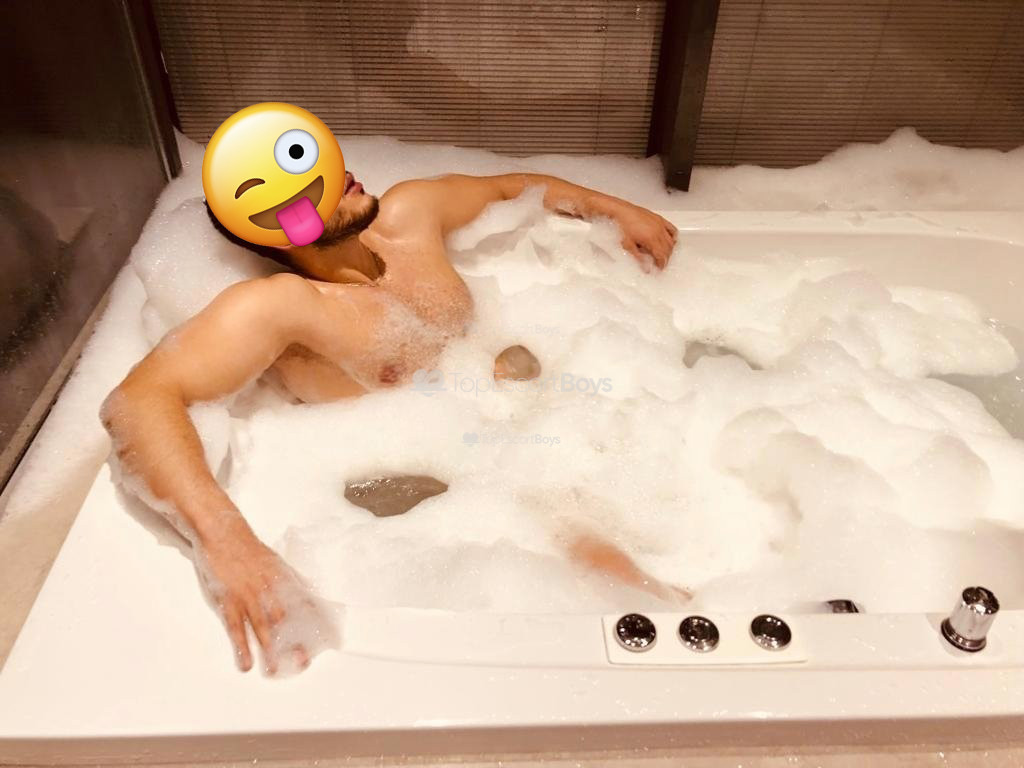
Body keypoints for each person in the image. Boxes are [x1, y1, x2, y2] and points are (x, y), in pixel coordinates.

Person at [102, 167, 681, 673]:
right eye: (308, 180)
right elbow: (140, 400)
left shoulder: (408, 216)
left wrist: (616, 209)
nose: (341, 171)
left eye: (322, 154)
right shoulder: (284, 306)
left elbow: (514, 189)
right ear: (276, 224)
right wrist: (226, 543)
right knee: (586, 544)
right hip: (433, 481)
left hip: (526, 424)